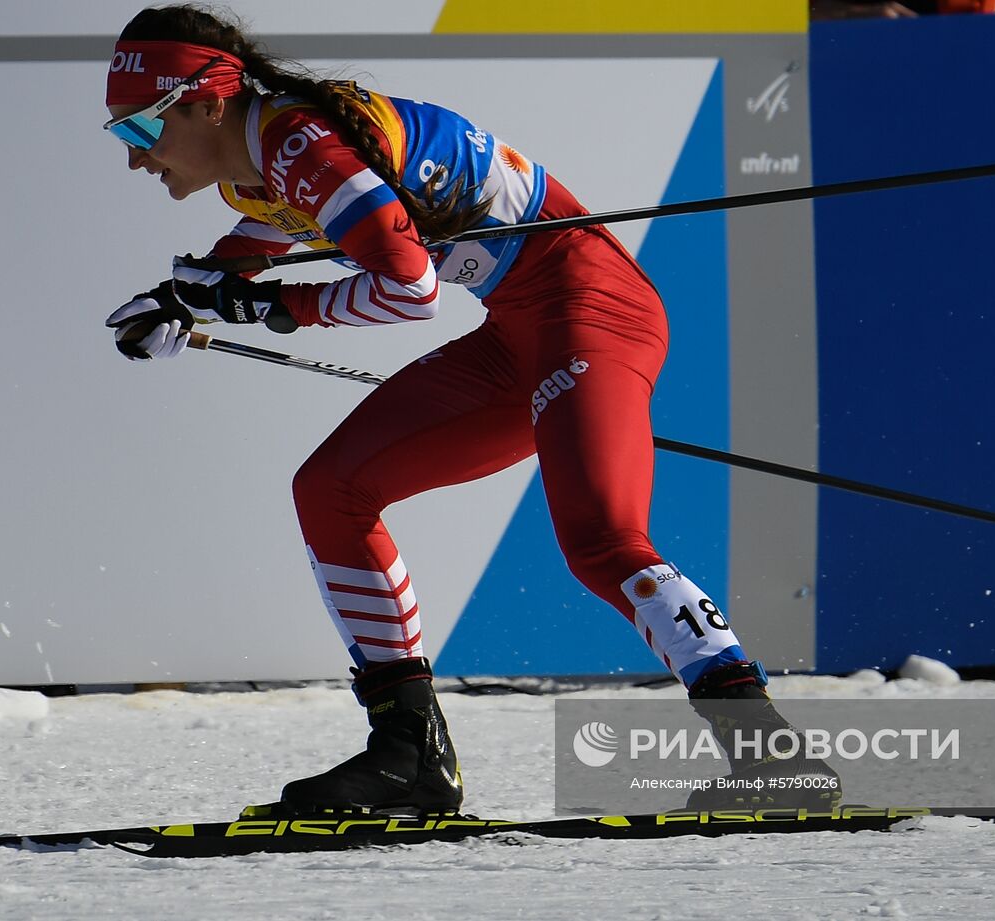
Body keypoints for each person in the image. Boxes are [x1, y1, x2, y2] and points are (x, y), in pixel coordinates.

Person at [103, 3, 838, 816]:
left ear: (205, 101)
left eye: (139, 132)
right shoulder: (262, 160)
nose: (135, 161)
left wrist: (271, 310)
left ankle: (772, 752)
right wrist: (181, 298)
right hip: (519, 328)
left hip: (591, 310)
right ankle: (409, 755)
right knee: (330, 490)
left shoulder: (297, 144)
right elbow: (259, 243)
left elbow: (409, 289)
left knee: (601, 540)